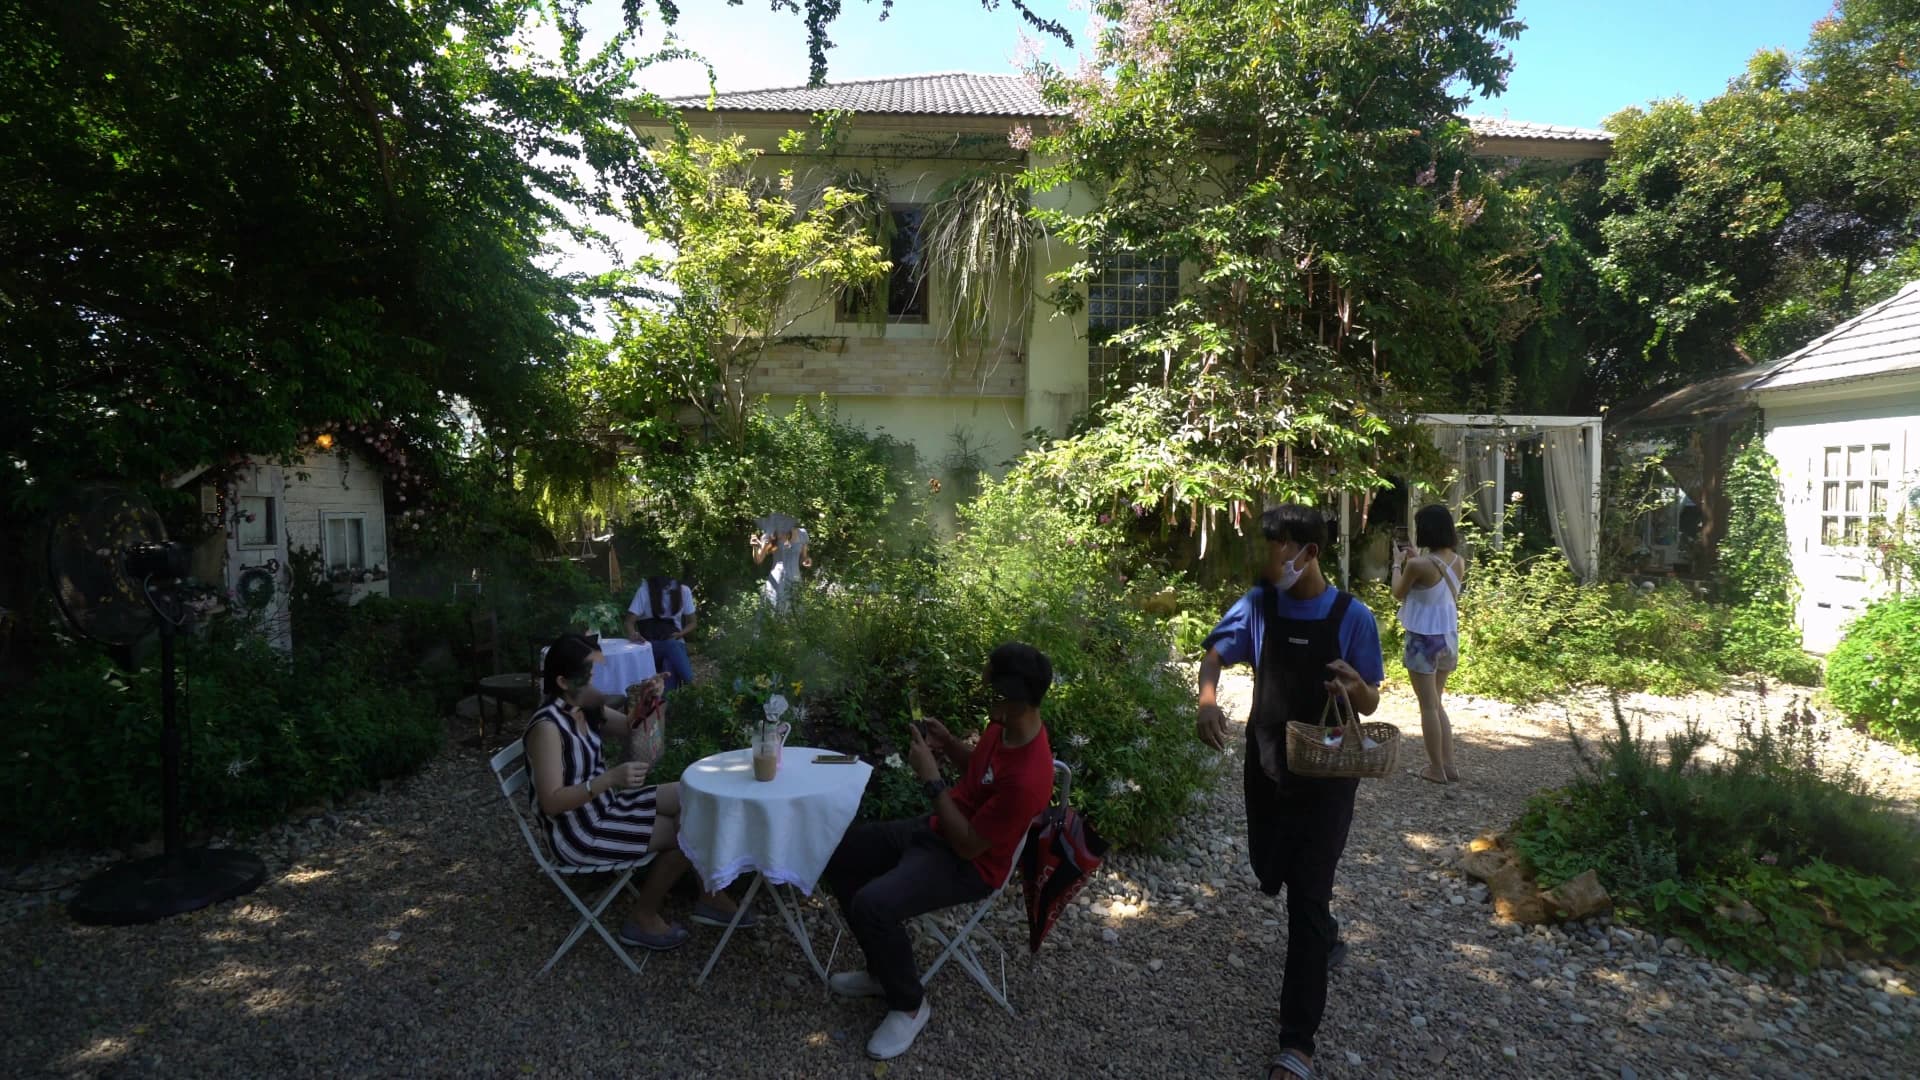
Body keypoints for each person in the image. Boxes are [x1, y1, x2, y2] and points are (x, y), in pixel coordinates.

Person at [1196, 505, 1385, 1080]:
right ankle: (1326, 934)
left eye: (1282, 548)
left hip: (1328, 779)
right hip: (1267, 764)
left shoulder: (1354, 616)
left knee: (1308, 893)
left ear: (1310, 552)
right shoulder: (1259, 605)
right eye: (1269, 547)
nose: (1273, 559)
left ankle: (1297, 1044)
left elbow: (1372, 699)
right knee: (1268, 869)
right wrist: (1207, 699)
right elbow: (1215, 654)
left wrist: (1356, 687)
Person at [822, 643, 1056, 1061]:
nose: (987, 698)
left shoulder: (1028, 778)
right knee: (842, 855)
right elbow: (981, 772)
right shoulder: (1005, 725)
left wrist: (931, 780)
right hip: (939, 831)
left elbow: (968, 845)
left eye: (993, 692)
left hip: (970, 863)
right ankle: (883, 971)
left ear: (1015, 700)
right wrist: (948, 744)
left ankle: (909, 1005)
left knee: (873, 905)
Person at [522, 634, 752, 952]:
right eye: (587, 676)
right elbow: (551, 802)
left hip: (605, 806)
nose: (594, 682)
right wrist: (608, 779)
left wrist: (647, 699)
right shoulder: (547, 728)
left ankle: (708, 895)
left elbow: (631, 726)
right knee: (688, 830)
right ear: (562, 680)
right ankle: (643, 917)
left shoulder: (585, 705)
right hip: (579, 832)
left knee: (696, 796)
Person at [1394, 504, 1466, 784]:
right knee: (1437, 703)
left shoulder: (1416, 565)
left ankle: (1436, 768)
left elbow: (1398, 593)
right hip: (1448, 637)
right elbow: (1434, 586)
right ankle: (1448, 765)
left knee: (1427, 706)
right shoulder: (1459, 561)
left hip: (1423, 639)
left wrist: (1397, 563)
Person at [624, 573, 697, 691]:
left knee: (669, 663)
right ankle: (692, 685)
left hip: (676, 642)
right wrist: (633, 634)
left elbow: (693, 622)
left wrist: (681, 634)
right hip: (652, 645)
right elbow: (628, 622)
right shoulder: (645, 591)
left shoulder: (683, 591)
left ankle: (666, 703)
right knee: (671, 646)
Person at [752, 521, 810, 613]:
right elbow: (758, 560)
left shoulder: (802, 533)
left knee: (795, 614)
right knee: (775, 611)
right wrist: (755, 547)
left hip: (795, 579)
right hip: (777, 579)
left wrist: (806, 560)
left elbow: (804, 557)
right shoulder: (771, 535)